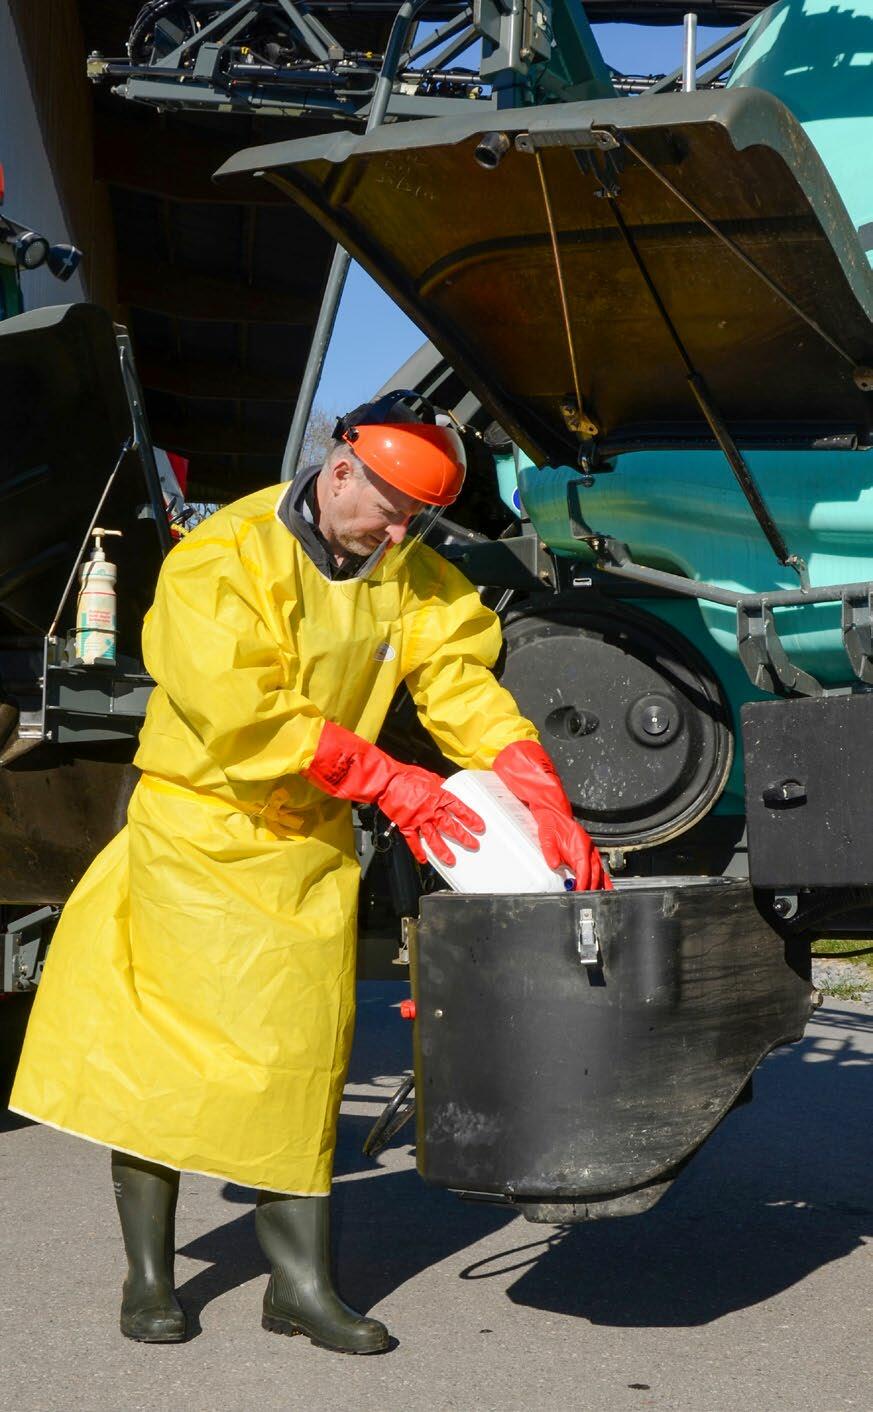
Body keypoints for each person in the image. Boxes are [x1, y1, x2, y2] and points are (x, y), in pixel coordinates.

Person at [10, 392, 609, 1355]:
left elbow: (458, 681)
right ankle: (150, 1278)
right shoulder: (222, 559)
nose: (397, 532)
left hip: (306, 849)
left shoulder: (405, 570)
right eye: (388, 508)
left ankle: (297, 1287)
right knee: (161, 1061)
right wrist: (388, 780)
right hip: (197, 836)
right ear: (340, 470)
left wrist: (533, 785)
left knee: (301, 1066)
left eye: (416, 520)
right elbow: (244, 714)